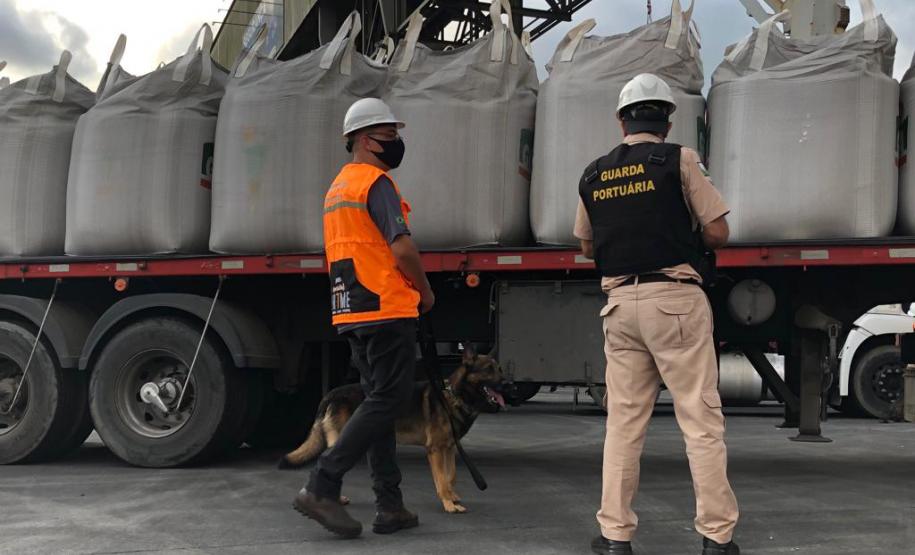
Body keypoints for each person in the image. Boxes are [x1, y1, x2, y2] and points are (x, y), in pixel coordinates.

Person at [576, 74, 739, 555]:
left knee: (624, 425)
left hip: (619, 305)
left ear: (621, 120)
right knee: (700, 420)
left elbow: (587, 244)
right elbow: (719, 231)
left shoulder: (593, 172)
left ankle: (614, 537)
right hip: (675, 301)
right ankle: (715, 537)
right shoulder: (679, 159)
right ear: (667, 121)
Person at [293, 97, 435, 539]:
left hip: (351, 308)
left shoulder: (338, 187)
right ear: (362, 139)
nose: (396, 143)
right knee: (387, 402)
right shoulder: (376, 183)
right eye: (389, 135)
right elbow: (402, 248)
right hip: (385, 306)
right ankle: (322, 484)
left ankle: (390, 506)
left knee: (380, 406)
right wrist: (425, 292)